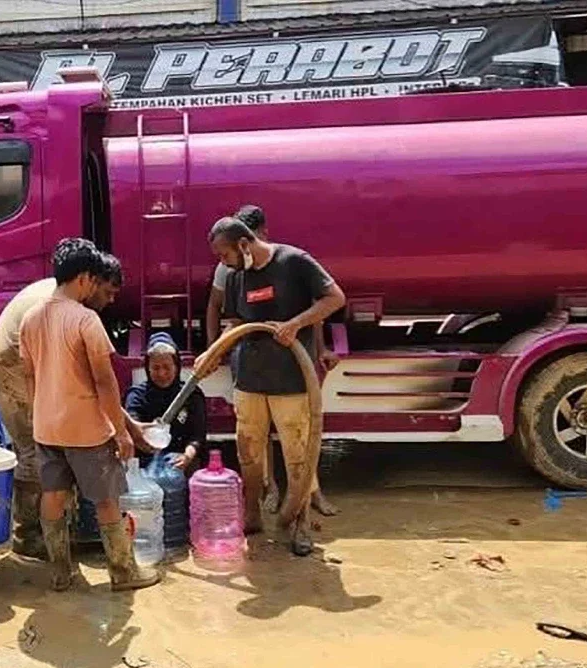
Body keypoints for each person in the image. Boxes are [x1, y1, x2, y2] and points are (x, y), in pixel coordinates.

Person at [21, 238, 161, 592]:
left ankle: (61, 571)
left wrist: (42, 412)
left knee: (53, 495)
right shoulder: (85, 320)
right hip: (85, 429)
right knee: (106, 499)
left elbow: (29, 374)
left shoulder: (31, 317)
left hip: (46, 426)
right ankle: (123, 571)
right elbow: (104, 381)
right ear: (83, 278)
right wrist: (121, 431)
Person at [201, 215, 346, 556]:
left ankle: (299, 525)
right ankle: (252, 516)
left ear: (243, 244)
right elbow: (235, 323)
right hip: (250, 380)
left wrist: (295, 324)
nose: (223, 264)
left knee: (298, 455)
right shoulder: (238, 277)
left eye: (224, 256)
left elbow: (334, 298)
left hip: (292, 381)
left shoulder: (294, 262)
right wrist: (212, 352)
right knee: (248, 453)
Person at [0, 253, 125, 561]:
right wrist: (121, 430)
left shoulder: (59, 297)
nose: (108, 301)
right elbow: (96, 382)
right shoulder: (70, 314)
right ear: (88, 280)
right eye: (105, 291)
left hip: (20, 374)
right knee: (33, 456)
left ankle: (56, 548)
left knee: (50, 455)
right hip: (3, 376)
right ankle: (29, 536)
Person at [124, 332, 207, 471]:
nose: (162, 374)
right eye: (156, 368)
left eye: (167, 367)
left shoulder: (191, 394)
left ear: (176, 366)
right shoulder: (136, 396)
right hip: (145, 464)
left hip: (180, 461)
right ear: (147, 368)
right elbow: (132, 426)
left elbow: (197, 435)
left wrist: (187, 456)